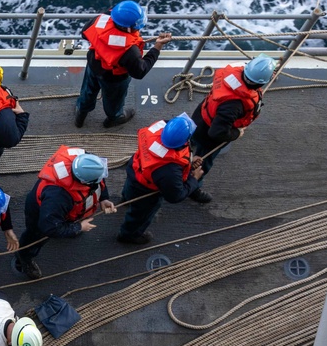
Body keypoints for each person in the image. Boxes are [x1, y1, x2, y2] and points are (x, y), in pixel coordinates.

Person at [188, 54, 277, 203]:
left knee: (189, 142)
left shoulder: (236, 71)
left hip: (201, 116)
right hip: (208, 134)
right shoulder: (235, 104)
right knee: (203, 162)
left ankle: (188, 148)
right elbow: (217, 132)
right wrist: (236, 133)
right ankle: (192, 187)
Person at [16, 148, 115, 279]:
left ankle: (68, 229)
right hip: (43, 213)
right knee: (35, 237)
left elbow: (99, 180)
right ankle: (24, 258)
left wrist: (104, 198)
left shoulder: (87, 162)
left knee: (64, 227)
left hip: (65, 212)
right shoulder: (58, 196)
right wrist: (79, 227)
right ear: (84, 181)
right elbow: (49, 227)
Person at [75, 0, 173, 129]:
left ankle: (80, 114)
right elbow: (140, 71)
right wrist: (158, 46)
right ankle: (114, 118)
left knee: (87, 91)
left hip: (94, 65)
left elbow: (85, 33)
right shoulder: (129, 50)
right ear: (127, 27)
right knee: (113, 101)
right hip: (114, 78)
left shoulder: (100, 19)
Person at [117, 114, 203, 245]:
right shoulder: (169, 170)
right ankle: (129, 235)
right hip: (146, 190)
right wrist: (194, 180)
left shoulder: (159, 126)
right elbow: (175, 196)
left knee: (129, 190)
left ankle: (126, 199)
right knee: (141, 214)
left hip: (136, 170)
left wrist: (189, 162)